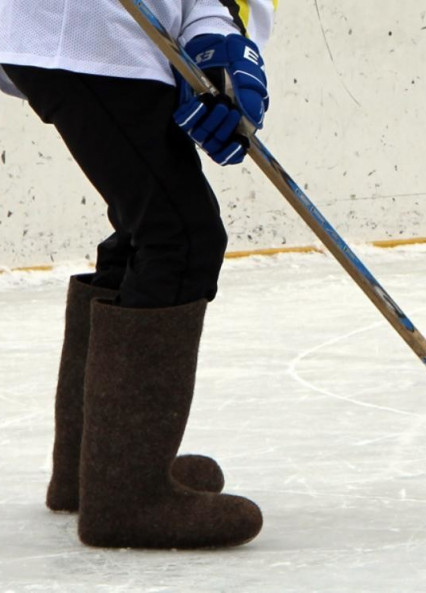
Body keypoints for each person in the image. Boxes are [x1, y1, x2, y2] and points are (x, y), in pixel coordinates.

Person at [0, 0, 275, 549]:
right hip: (83, 27)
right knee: (179, 237)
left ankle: (95, 470)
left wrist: (212, 39)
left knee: (149, 228)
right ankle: (127, 497)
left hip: (101, 34)